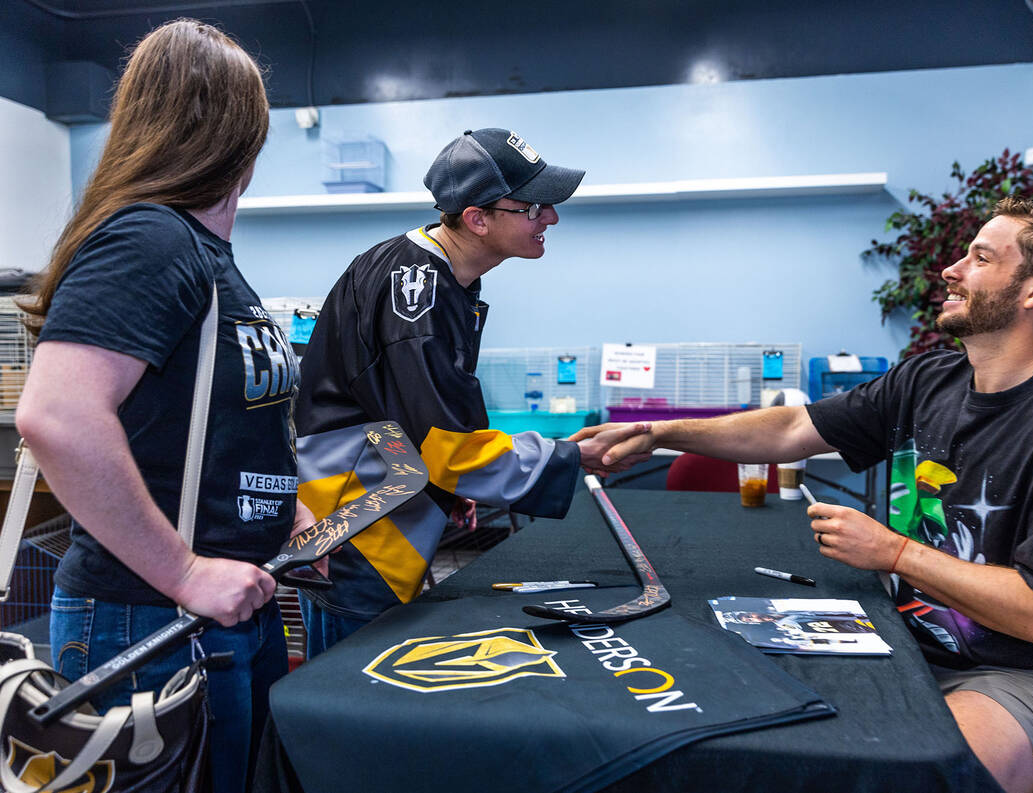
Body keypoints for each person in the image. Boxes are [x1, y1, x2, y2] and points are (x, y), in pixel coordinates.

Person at [577, 197, 1033, 793]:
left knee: (917, 778)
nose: (951, 269)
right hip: (907, 641)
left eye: (979, 257)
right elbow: (793, 429)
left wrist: (896, 554)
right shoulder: (928, 379)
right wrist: (657, 432)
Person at [15, 19, 306, 793]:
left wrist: (282, 509)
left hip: (219, 611)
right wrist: (182, 568)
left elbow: (204, 422)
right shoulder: (152, 239)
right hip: (150, 618)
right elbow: (58, 415)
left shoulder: (205, 255)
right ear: (245, 131)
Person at [293, 129, 644, 656]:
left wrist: (454, 488)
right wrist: (574, 458)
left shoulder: (436, 277)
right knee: (349, 689)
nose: (550, 218)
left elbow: (421, 416)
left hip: (382, 509)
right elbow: (442, 441)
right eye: (535, 207)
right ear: (478, 219)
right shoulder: (417, 291)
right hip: (356, 528)